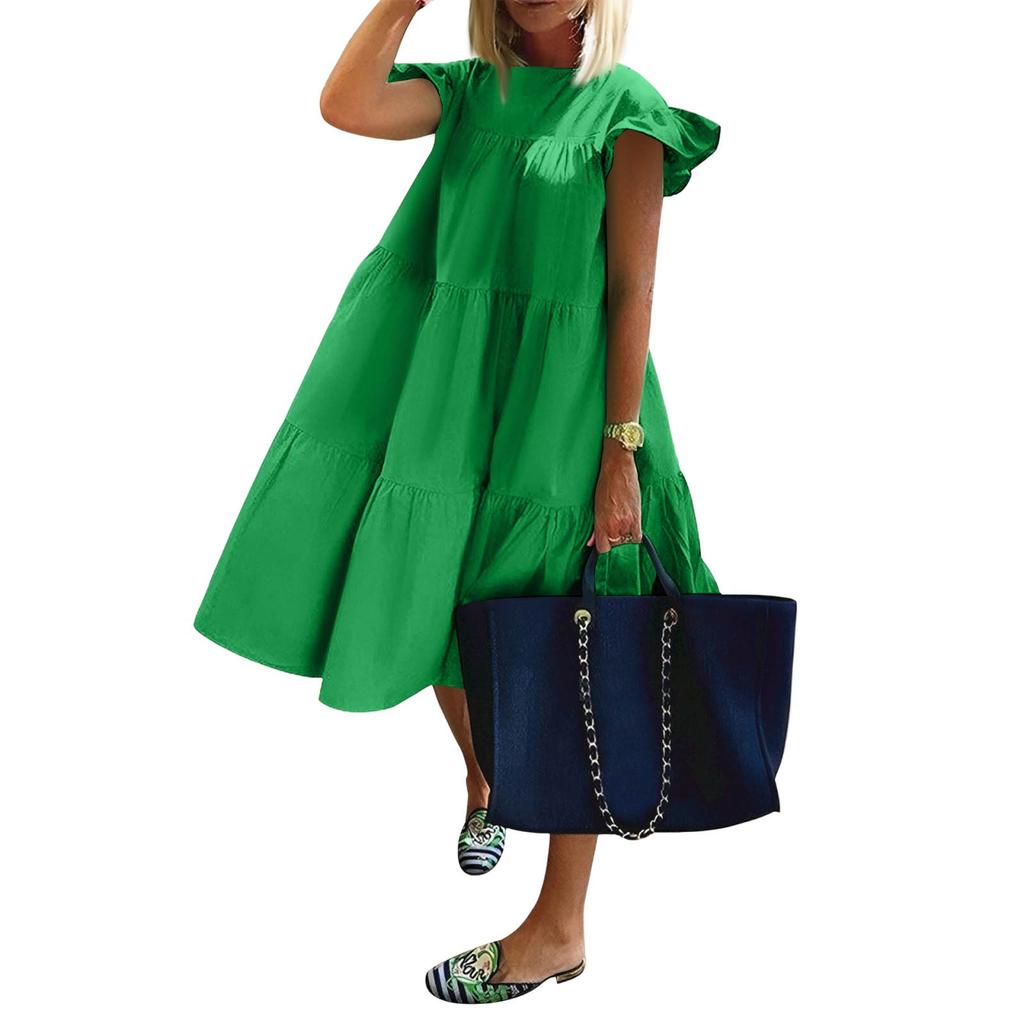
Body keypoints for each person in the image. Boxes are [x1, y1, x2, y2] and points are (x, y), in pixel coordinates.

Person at [194, 0, 720, 1003]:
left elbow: (633, 294)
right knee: (447, 607)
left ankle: (558, 924)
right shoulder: (471, 91)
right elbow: (347, 105)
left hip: (566, 409)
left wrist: (620, 451)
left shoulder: (626, 108)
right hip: (450, 390)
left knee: (572, 638)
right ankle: (488, 776)